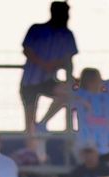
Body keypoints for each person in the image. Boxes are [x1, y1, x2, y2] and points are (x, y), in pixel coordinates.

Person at [20, 2, 78, 134]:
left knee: (68, 93)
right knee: (29, 123)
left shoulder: (67, 35)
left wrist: (68, 76)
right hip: (29, 81)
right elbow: (27, 50)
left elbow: (68, 60)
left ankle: (43, 123)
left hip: (48, 80)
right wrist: (43, 64)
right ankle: (32, 138)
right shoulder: (36, 29)